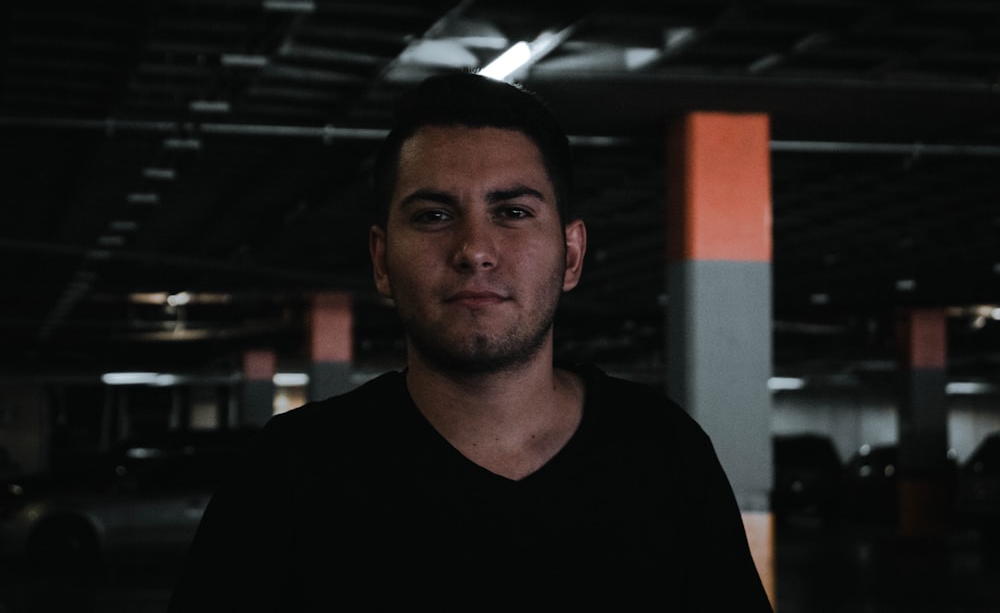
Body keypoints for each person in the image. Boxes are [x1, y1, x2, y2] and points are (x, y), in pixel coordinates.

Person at [168, 71, 774, 611]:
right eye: (433, 215)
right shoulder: (290, 473)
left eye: (512, 212)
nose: (474, 250)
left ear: (572, 253)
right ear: (381, 260)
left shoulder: (663, 454)